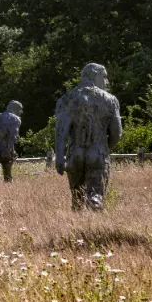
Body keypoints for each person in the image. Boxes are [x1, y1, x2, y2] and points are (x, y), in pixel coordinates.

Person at [54, 63, 123, 210]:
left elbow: (61, 133)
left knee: (77, 200)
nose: (106, 82)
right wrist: (104, 147)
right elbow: (117, 134)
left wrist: (59, 156)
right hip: (98, 153)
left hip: (75, 154)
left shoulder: (66, 99)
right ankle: (94, 229)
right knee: (95, 196)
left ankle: (78, 229)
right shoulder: (110, 100)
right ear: (95, 75)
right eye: (104, 77)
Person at [0, 100, 23, 182]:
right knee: (8, 176)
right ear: (14, 108)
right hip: (6, 148)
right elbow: (13, 136)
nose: (21, 112)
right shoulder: (15, 119)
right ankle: (7, 192)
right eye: (20, 109)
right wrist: (12, 150)